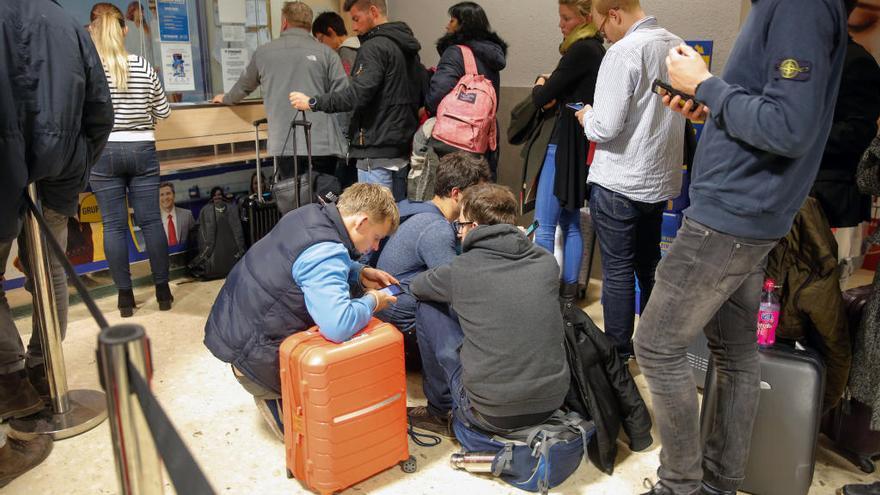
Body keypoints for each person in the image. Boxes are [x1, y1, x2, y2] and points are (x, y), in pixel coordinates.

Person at [633, 0, 849, 492]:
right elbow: (769, 113)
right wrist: (710, 106)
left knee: (656, 344)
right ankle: (718, 483)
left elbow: (788, 128)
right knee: (733, 352)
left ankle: (679, 485)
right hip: (745, 210)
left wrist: (705, 84)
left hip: (731, 214)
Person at [0, 0, 113, 485]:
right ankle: (46, 369)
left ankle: (12, 383)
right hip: (57, 172)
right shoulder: (67, 21)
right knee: (48, 270)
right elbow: (98, 111)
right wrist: (72, 167)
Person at [204, 183, 400, 439]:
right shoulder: (326, 252)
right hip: (254, 358)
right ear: (361, 222)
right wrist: (373, 301)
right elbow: (337, 325)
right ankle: (274, 396)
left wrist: (359, 272)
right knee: (327, 436)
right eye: (376, 237)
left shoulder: (310, 214)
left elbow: (303, 258)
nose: (375, 247)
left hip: (232, 327)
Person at [408, 183, 570, 438]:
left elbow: (418, 286)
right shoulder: (546, 262)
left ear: (473, 227)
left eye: (459, 226)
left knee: (427, 305)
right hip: (552, 403)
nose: (458, 234)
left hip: (490, 413)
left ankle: (439, 411)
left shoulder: (462, 270)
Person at [574, 0, 684, 359]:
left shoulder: (622, 53)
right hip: (657, 182)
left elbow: (605, 128)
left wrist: (587, 117)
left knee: (618, 273)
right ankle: (654, 348)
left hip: (619, 180)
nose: (602, 35)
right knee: (649, 266)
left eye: (601, 26)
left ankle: (618, 356)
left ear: (614, 14)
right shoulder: (677, 46)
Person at [290, 0, 425, 202]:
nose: (353, 27)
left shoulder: (374, 47)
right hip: (401, 149)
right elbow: (422, 91)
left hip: (375, 148)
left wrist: (312, 102)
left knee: (374, 223)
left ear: (372, 11)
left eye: (356, 19)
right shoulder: (407, 47)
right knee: (395, 220)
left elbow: (356, 94)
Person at [88, 2, 172, 319]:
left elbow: (86, 117)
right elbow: (163, 111)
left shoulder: (92, 70)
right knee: (151, 221)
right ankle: (163, 290)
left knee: (113, 226)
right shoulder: (142, 65)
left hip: (104, 151)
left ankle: (125, 298)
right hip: (142, 149)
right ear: (125, 31)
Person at [213, 2, 349, 183]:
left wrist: (226, 98)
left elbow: (243, 87)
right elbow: (343, 96)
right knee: (324, 199)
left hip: (285, 144)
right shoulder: (328, 54)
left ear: (284, 22)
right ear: (309, 25)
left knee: (292, 197)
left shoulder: (263, 53)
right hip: (323, 144)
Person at [530, 0, 605, 306]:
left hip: (562, 143)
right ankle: (568, 293)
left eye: (566, 18)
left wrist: (540, 83)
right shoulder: (598, 51)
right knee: (571, 221)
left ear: (585, 18)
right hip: (583, 144)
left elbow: (542, 97)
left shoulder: (580, 50)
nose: (561, 24)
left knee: (544, 224)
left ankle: (541, 296)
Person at [375, 152, 490, 333]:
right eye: (477, 193)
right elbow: (457, 286)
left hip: (390, 305)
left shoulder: (415, 207)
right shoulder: (436, 228)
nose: (481, 200)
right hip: (403, 317)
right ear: (456, 194)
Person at [810, 12, 880, 286]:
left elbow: (859, 132)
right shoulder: (811, 60)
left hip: (834, 196)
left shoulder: (856, 61)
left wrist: (797, 137)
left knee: (824, 293)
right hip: (799, 194)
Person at [424, 2, 507, 174]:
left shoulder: (456, 52)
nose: (447, 25)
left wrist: (427, 109)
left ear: (464, 24)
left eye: (453, 20)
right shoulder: (492, 56)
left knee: (454, 192)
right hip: (487, 134)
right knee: (481, 192)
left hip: (457, 139)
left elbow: (438, 93)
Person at [312, 11, 361, 75]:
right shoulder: (358, 43)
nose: (321, 44)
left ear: (330, 32)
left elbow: (347, 81)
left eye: (321, 39)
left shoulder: (345, 51)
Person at [159, 182, 195, 247]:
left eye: (168, 193)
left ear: (174, 195)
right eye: (161, 195)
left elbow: (196, 240)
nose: (165, 197)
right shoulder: (154, 221)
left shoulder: (187, 215)